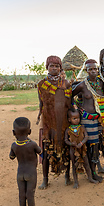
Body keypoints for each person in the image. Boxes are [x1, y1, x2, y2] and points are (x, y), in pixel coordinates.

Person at [37, 55, 72, 189]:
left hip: (63, 122)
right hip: (48, 123)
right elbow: (41, 103)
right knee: (46, 151)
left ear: (60, 68)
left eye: (57, 66)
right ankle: (45, 179)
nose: (54, 68)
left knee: (66, 149)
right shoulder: (42, 84)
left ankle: (67, 176)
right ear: (47, 67)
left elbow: (70, 104)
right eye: (51, 66)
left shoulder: (66, 83)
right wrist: (41, 118)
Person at [10, 117, 45, 206]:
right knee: (30, 194)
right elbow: (40, 152)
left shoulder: (14, 146)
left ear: (13, 132)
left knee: (22, 194)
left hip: (20, 173)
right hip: (31, 173)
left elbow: (11, 157)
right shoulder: (32, 144)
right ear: (29, 131)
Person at [64, 108, 99, 188]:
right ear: (69, 119)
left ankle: (90, 177)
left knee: (86, 163)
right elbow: (66, 140)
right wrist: (71, 143)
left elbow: (86, 136)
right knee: (74, 165)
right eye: (74, 118)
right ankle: (76, 181)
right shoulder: (68, 130)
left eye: (78, 118)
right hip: (73, 150)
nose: (77, 120)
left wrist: (81, 143)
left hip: (82, 149)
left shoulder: (82, 128)